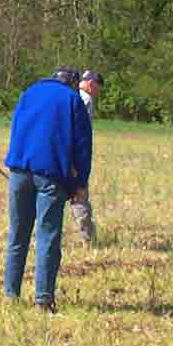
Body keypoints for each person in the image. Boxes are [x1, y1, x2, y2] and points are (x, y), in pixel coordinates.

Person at [2, 67, 92, 312]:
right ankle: (43, 300)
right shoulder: (73, 100)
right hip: (51, 176)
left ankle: (10, 295)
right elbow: (82, 147)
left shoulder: (29, 93)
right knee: (47, 237)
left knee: (17, 235)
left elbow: (16, 129)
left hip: (19, 172)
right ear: (72, 83)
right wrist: (79, 184)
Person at [70, 69, 104, 243]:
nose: (99, 93)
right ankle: (88, 239)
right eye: (99, 88)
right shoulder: (86, 99)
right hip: (74, 156)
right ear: (91, 84)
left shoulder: (70, 94)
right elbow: (81, 132)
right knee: (79, 196)